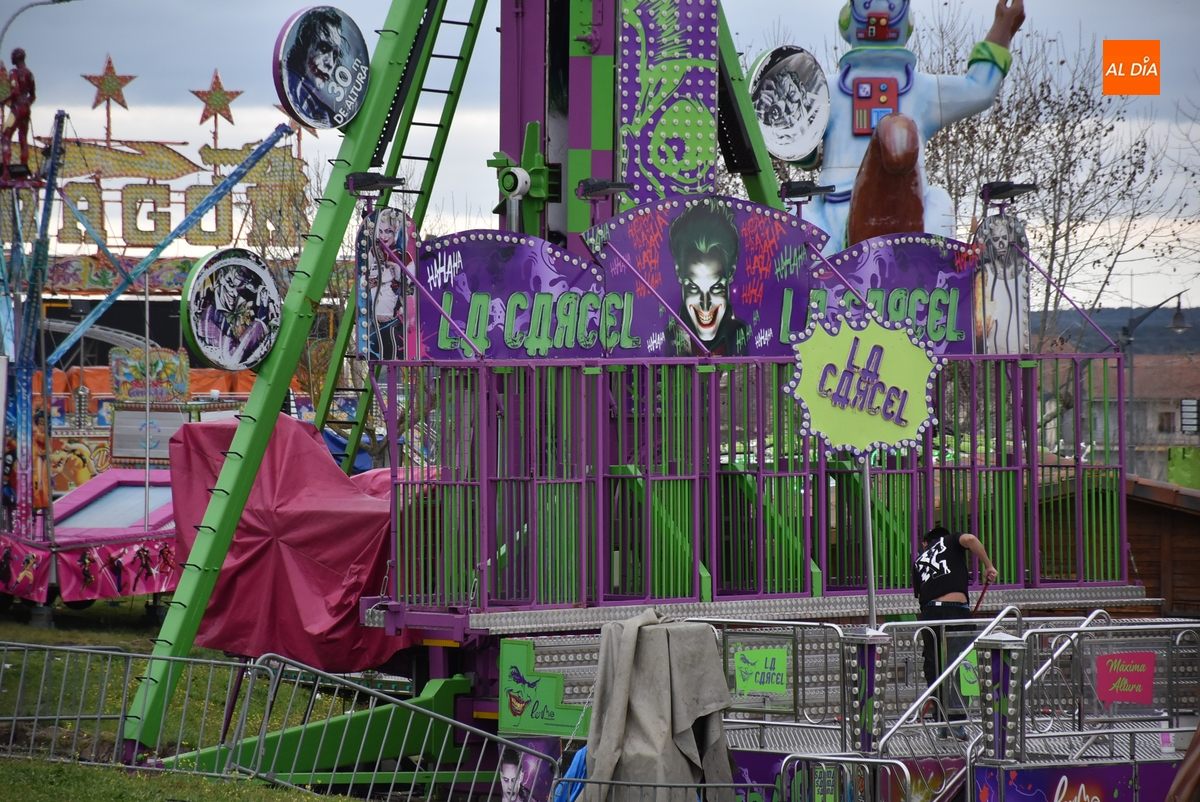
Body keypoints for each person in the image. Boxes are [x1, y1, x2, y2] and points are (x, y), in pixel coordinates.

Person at [911, 526, 998, 734]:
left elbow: (920, 597)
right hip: (956, 610)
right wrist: (988, 566)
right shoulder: (950, 540)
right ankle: (957, 722)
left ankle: (941, 721)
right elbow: (970, 538)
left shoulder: (918, 561)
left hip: (930, 613)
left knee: (935, 667)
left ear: (925, 543)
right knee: (963, 664)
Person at [664, 201, 749, 356]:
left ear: (731, 273)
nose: (705, 304)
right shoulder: (664, 339)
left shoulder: (745, 337)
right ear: (678, 273)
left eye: (716, 288)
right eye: (694, 288)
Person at [284, 9, 343, 127]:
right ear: (304, 44)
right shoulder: (295, 92)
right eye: (324, 48)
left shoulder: (318, 105)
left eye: (335, 55)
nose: (330, 63)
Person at [1, 48, 35, 177]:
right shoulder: (29, 74)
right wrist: (26, 105)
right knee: (23, 139)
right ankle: (23, 172)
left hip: (17, 108)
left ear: (16, 58)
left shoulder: (13, 73)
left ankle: (6, 171)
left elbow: (15, 91)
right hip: (26, 108)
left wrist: (4, 101)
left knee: (6, 135)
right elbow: (32, 95)